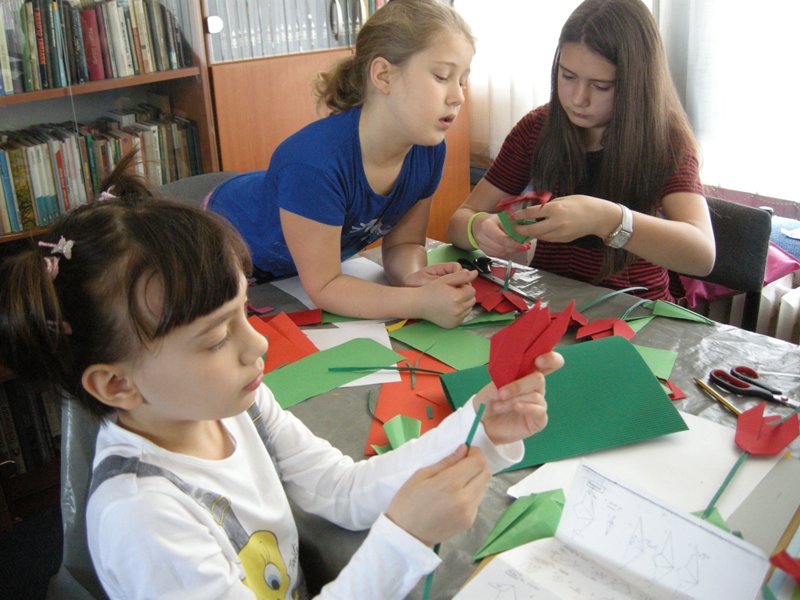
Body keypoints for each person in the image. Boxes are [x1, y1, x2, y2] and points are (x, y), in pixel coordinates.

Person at [0, 154, 563, 599]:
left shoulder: (234, 405)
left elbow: (341, 489)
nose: (259, 343)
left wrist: (480, 428)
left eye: (243, 313)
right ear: (117, 385)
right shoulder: (142, 518)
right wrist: (404, 538)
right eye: (216, 339)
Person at [206, 0, 479, 329]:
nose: (458, 97)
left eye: (462, 81)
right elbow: (325, 286)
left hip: (300, 268)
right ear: (383, 75)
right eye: (442, 76)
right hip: (221, 248)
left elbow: (405, 244)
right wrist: (419, 302)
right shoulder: (313, 163)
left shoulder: (428, 151)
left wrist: (414, 278)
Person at [448, 0, 716, 302]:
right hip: (550, 303)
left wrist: (609, 219)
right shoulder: (537, 129)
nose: (578, 98)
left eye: (600, 86)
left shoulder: (665, 142)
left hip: (635, 310)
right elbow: (459, 221)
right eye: (568, 76)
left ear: (636, 83)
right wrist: (478, 227)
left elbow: (702, 255)